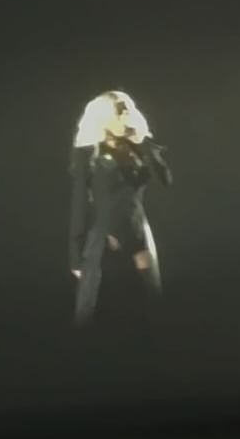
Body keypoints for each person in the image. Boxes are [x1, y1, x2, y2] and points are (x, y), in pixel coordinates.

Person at [68, 90, 173, 328]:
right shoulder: (88, 153)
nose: (125, 117)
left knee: (150, 300)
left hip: (138, 231)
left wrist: (144, 142)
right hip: (105, 237)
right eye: (119, 112)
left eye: (127, 111)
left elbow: (165, 179)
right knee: (93, 308)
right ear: (103, 117)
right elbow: (80, 203)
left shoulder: (136, 147)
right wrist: (75, 256)